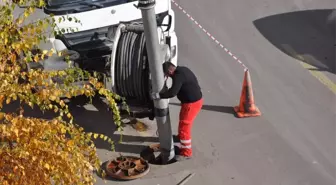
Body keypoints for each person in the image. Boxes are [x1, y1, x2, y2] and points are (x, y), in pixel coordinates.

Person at [151, 62, 203, 161]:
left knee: (184, 126)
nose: (167, 76)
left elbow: (173, 92)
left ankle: (186, 152)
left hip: (191, 104)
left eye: (166, 74)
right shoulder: (183, 69)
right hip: (193, 101)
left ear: (170, 71)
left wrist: (159, 95)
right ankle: (180, 139)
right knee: (182, 124)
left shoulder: (178, 76)